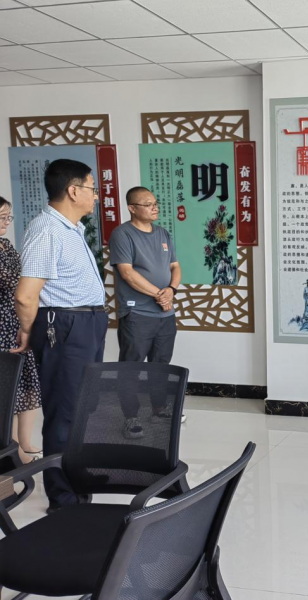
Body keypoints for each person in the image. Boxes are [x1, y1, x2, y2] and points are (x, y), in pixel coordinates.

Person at [14, 158, 108, 513]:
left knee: (86, 408)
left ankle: (79, 479)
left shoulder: (71, 228)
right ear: (73, 190)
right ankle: (64, 498)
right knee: (66, 412)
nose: (96, 195)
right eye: (92, 188)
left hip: (86, 322)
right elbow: (26, 295)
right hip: (64, 326)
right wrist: (28, 331)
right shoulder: (47, 230)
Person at [109, 186, 183, 439]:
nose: (155, 208)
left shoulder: (162, 233)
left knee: (161, 364)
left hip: (165, 314)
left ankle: (159, 409)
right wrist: (160, 296)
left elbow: (175, 266)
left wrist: (171, 290)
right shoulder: (122, 234)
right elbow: (127, 273)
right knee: (131, 367)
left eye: (155, 203)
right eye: (148, 204)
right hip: (137, 313)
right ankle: (130, 417)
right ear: (132, 208)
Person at [0, 197, 43, 465]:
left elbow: (25, 277)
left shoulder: (5, 244)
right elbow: (15, 281)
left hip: (18, 320)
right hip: (2, 325)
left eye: (8, 216)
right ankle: (13, 450)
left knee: (28, 381)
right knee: (9, 388)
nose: (6, 222)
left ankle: (25, 442)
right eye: (1, 216)